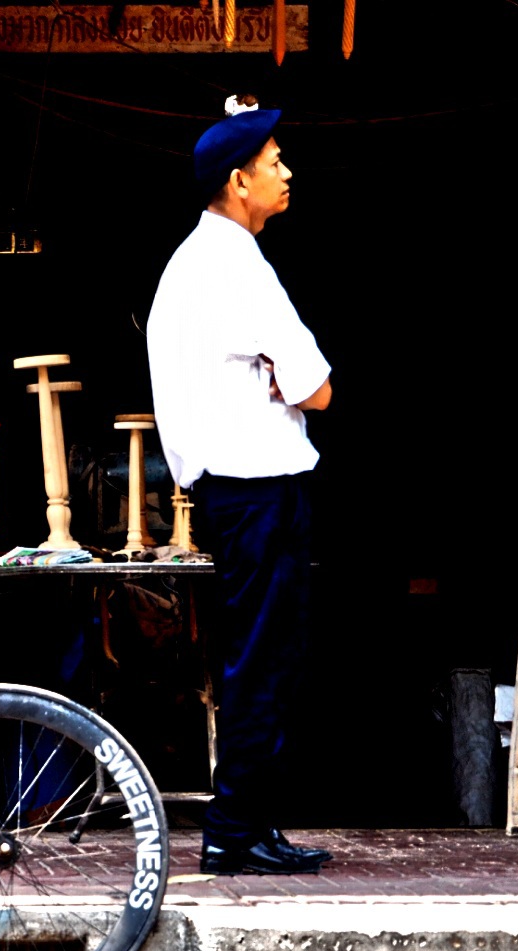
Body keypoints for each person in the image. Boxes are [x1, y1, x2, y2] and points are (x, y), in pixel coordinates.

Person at [145, 96, 335, 876]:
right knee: (263, 657)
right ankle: (234, 831)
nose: (286, 172)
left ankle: (249, 821)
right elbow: (320, 387)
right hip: (258, 488)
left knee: (257, 654)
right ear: (238, 181)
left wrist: (278, 382)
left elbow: (296, 382)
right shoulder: (235, 265)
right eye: (274, 162)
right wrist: (283, 384)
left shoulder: (195, 261)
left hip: (233, 489)